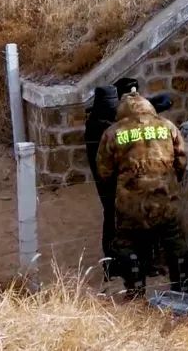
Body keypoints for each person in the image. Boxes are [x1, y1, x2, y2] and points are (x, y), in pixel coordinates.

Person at [95, 90, 188, 299]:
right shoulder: (167, 126)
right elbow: (182, 160)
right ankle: (184, 292)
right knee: (175, 243)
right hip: (166, 199)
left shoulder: (112, 133)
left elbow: (104, 172)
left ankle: (136, 291)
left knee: (126, 244)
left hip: (130, 203)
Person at [84, 84, 119, 279]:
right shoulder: (103, 128)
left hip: (105, 179)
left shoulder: (93, 122)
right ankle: (112, 266)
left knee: (111, 217)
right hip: (108, 179)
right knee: (112, 218)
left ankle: (112, 265)